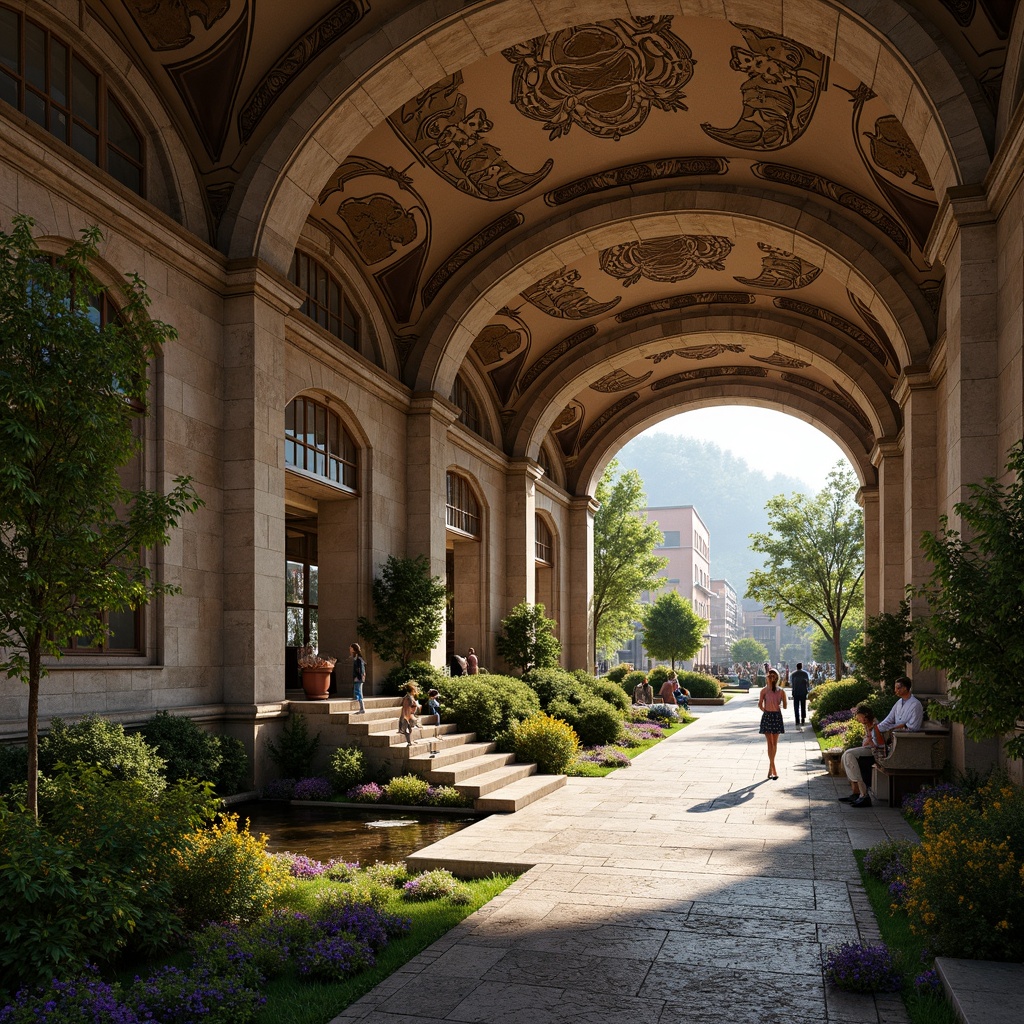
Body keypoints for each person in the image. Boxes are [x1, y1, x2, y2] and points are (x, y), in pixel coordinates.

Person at [839, 703, 886, 807]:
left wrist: (869, 741)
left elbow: (880, 744)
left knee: (849, 755)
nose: (858, 720)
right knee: (845, 755)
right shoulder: (867, 725)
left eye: (859, 717)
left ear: (865, 715)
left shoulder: (875, 725)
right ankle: (856, 792)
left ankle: (863, 794)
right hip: (868, 749)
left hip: (875, 752)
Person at [758, 668, 787, 779]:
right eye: (770, 676)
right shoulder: (764, 691)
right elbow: (760, 704)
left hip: (776, 717)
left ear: (777, 678)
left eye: (773, 676)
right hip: (767, 716)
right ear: (767, 677)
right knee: (769, 743)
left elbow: (784, 706)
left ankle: (771, 768)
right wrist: (765, 710)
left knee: (774, 744)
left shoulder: (781, 691)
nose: (771, 678)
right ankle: (773, 768)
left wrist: (783, 700)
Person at [398, 681, 420, 745]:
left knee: (409, 730)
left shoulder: (410, 697)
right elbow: (406, 708)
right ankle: (409, 742)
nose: (416, 691)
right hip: (407, 715)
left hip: (410, 715)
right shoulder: (408, 698)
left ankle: (410, 741)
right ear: (412, 690)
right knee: (407, 730)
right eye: (415, 689)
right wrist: (406, 717)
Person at [789, 661, 810, 727]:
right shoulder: (805, 674)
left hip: (795, 692)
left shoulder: (793, 674)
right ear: (801, 667)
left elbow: (791, 684)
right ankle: (803, 718)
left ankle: (797, 720)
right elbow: (808, 683)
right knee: (803, 706)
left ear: (796, 667)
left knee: (796, 707)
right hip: (803, 692)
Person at [350, 643, 366, 713]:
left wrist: (358, 677)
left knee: (358, 692)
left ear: (353, 649)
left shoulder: (358, 658)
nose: (350, 649)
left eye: (350, 648)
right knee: (358, 692)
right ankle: (361, 708)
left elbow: (361, 669)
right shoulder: (357, 657)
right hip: (358, 677)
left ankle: (362, 708)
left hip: (358, 678)